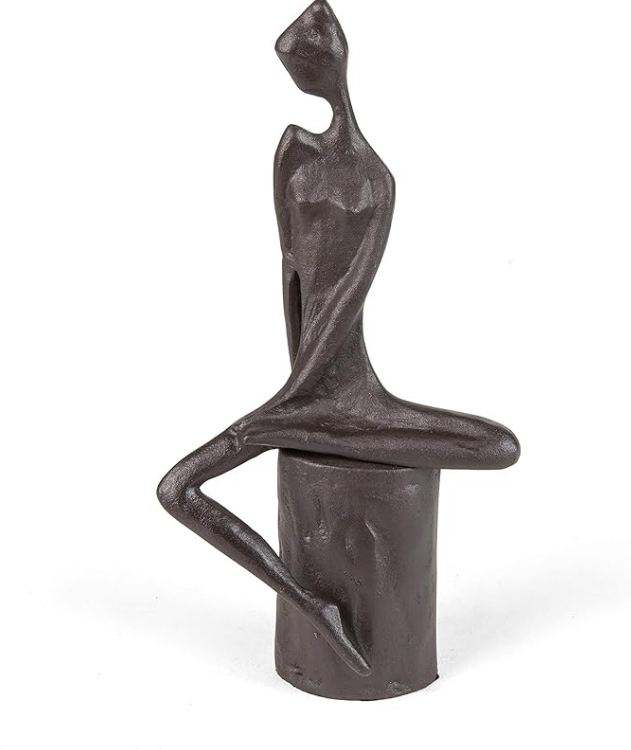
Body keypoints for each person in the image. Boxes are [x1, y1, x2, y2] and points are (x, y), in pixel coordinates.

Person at [157, 0, 519, 677]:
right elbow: (290, 274)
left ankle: (341, 444)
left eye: (300, 64)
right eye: (290, 66)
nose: (296, 77)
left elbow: (343, 299)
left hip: (347, 391)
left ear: (331, 65)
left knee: (500, 446)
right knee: (178, 489)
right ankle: (308, 603)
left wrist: (293, 403)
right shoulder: (292, 151)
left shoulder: (376, 181)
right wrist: (290, 397)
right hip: (305, 394)